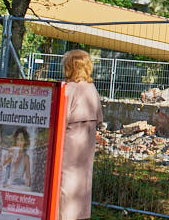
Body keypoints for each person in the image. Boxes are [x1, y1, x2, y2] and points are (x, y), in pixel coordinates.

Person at [58, 50, 102, 220]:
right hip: (86, 143)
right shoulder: (91, 88)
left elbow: (60, 119)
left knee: (65, 183)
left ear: (69, 66)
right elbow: (99, 117)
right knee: (82, 183)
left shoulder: (67, 89)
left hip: (68, 143)